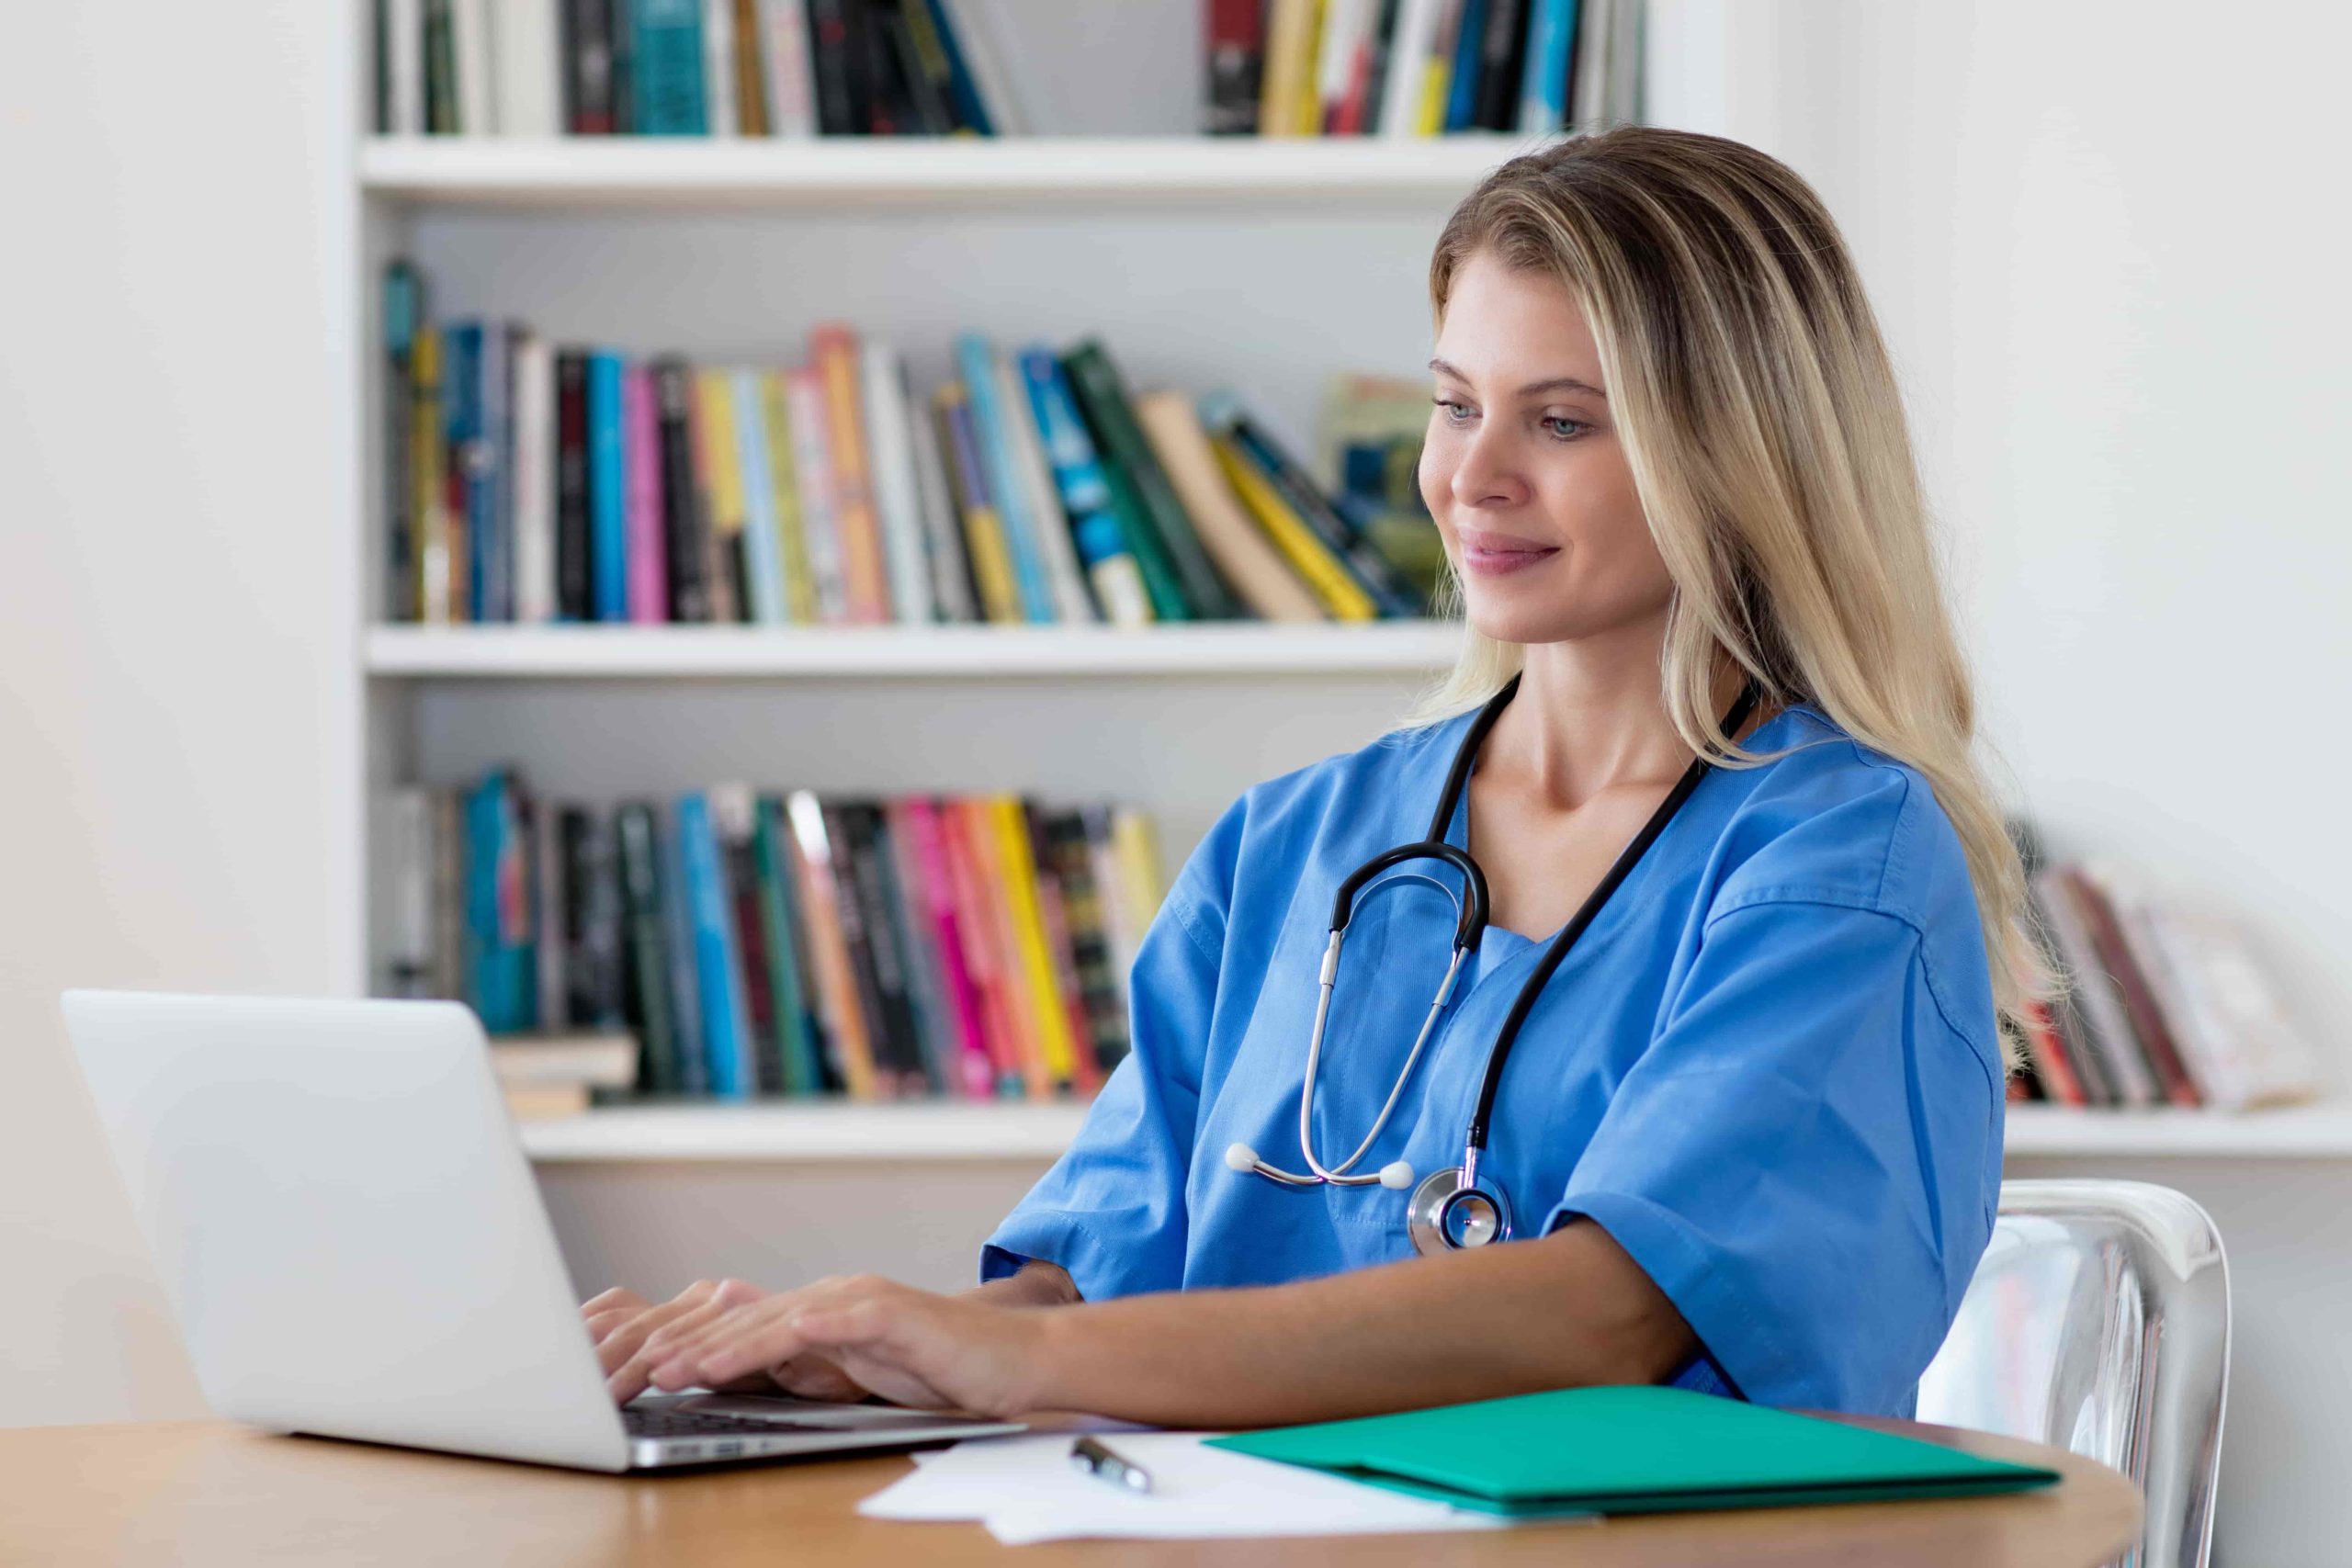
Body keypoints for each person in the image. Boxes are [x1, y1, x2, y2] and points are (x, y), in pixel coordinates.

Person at [584, 125, 2036, 1430]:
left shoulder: (1842, 855)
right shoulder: (1297, 842)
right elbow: (1085, 1289)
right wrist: (863, 1346)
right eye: (1458, 404)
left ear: (1740, 455)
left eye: (1564, 420)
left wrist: (1013, 1366)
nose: (1474, 478)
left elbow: (1611, 1311)